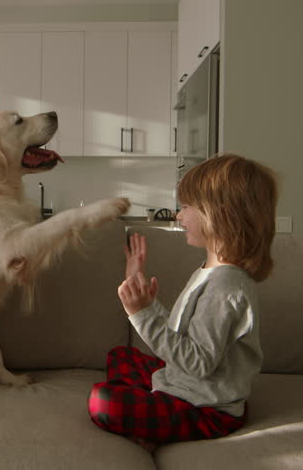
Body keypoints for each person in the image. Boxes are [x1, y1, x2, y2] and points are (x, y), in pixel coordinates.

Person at [88, 154, 279, 451]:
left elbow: (198, 362)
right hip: (187, 386)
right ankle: (150, 407)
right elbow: (186, 336)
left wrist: (143, 315)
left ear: (220, 214)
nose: (179, 215)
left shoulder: (226, 286)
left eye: (187, 207)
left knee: (103, 401)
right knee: (120, 356)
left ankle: (150, 419)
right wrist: (147, 304)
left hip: (207, 408)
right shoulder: (212, 271)